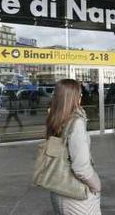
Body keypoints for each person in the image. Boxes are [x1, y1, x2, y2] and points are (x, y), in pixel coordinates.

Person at [47, 79, 101, 214]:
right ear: (75, 98)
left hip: (58, 186)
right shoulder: (76, 123)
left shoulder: (55, 119)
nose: (82, 97)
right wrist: (96, 184)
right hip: (77, 195)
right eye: (80, 94)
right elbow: (81, 168)